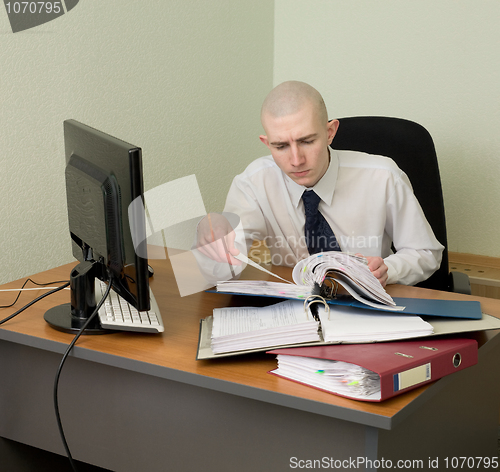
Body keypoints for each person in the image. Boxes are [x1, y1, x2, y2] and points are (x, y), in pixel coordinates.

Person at [197, 81, 444, 286]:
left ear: (330, 132)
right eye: (281, 146)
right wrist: (212, 243)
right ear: (266, 142)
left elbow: (426, 253)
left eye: (307, 141)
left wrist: (389, 269)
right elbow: (220, 274)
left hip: (370, 304)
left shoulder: (383, 175)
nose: (296, 160)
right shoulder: (253, 182)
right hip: (293, 311)